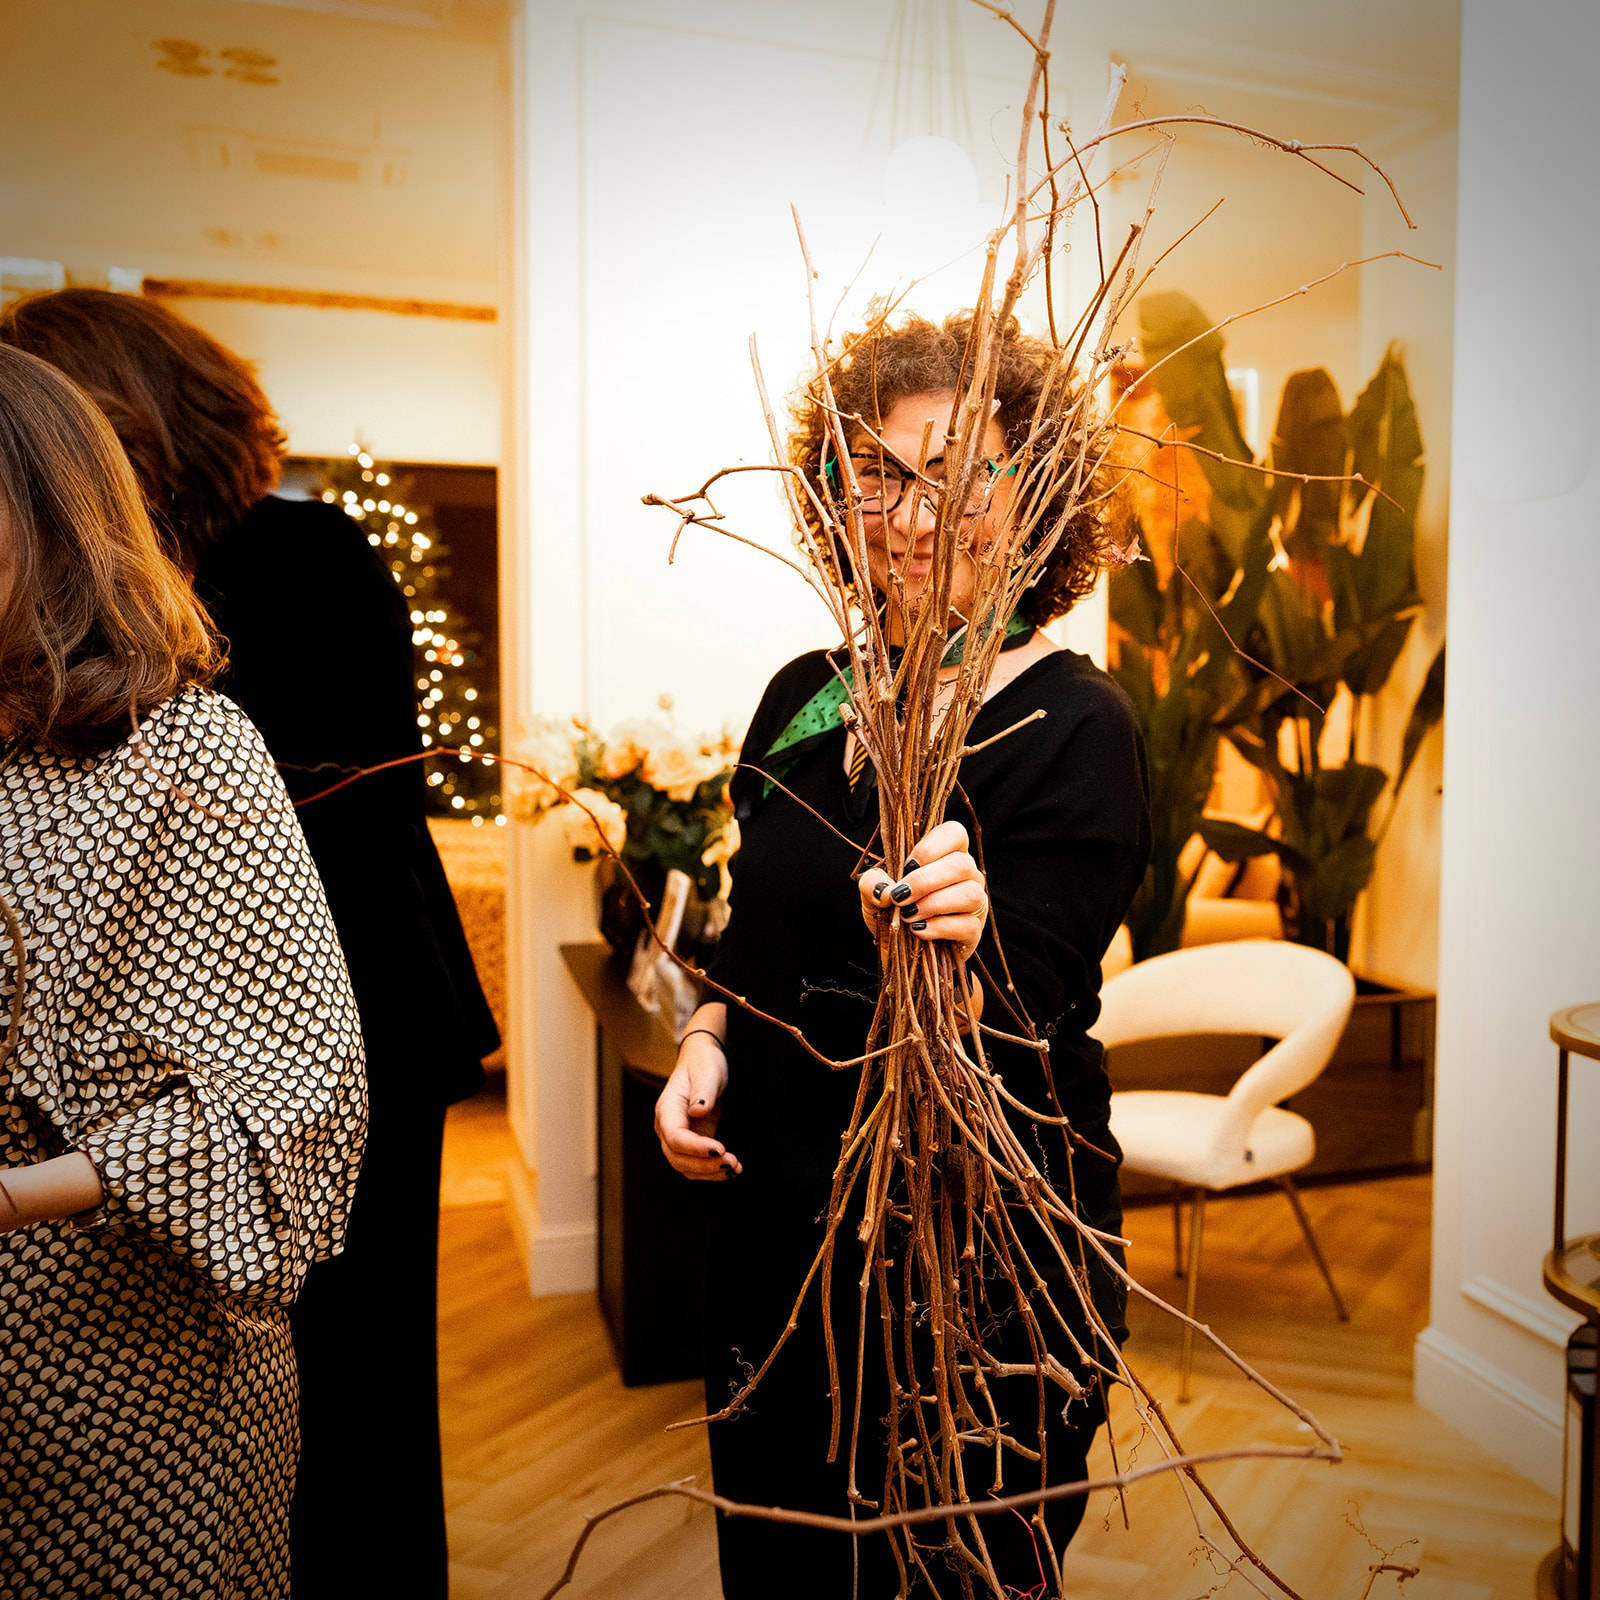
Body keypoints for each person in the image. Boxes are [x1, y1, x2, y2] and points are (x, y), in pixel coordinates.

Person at [1, 289, 501, 1599]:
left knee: (359, 1366)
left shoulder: (301, 558)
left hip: (354, 1008)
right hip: (239, 1015)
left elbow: (347, 804)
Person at [654, 310, 1152, 1596]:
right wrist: (703, 1043)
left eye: (959, 474)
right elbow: (749, 933)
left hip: (976, 1233)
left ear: (1033, 495)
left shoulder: (1072, 720)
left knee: (954, 1566)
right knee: (778, 1554)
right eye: (876, 474)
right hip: (778, 1225)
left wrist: (969, 931)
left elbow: (1030, 1001)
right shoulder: (803, 689)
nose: (914, 514)